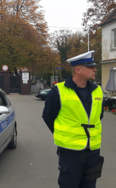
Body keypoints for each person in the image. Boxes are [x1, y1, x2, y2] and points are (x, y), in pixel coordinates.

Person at [42, 51, 104, 188]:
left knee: (89, 186)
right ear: (78, 69)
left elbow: (98, 116)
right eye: (91, 67)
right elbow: (48, 116)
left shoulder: (97, 91)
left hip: (93, 151)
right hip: (70, 153)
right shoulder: (58, 91)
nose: (95, 69)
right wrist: (64, 134)